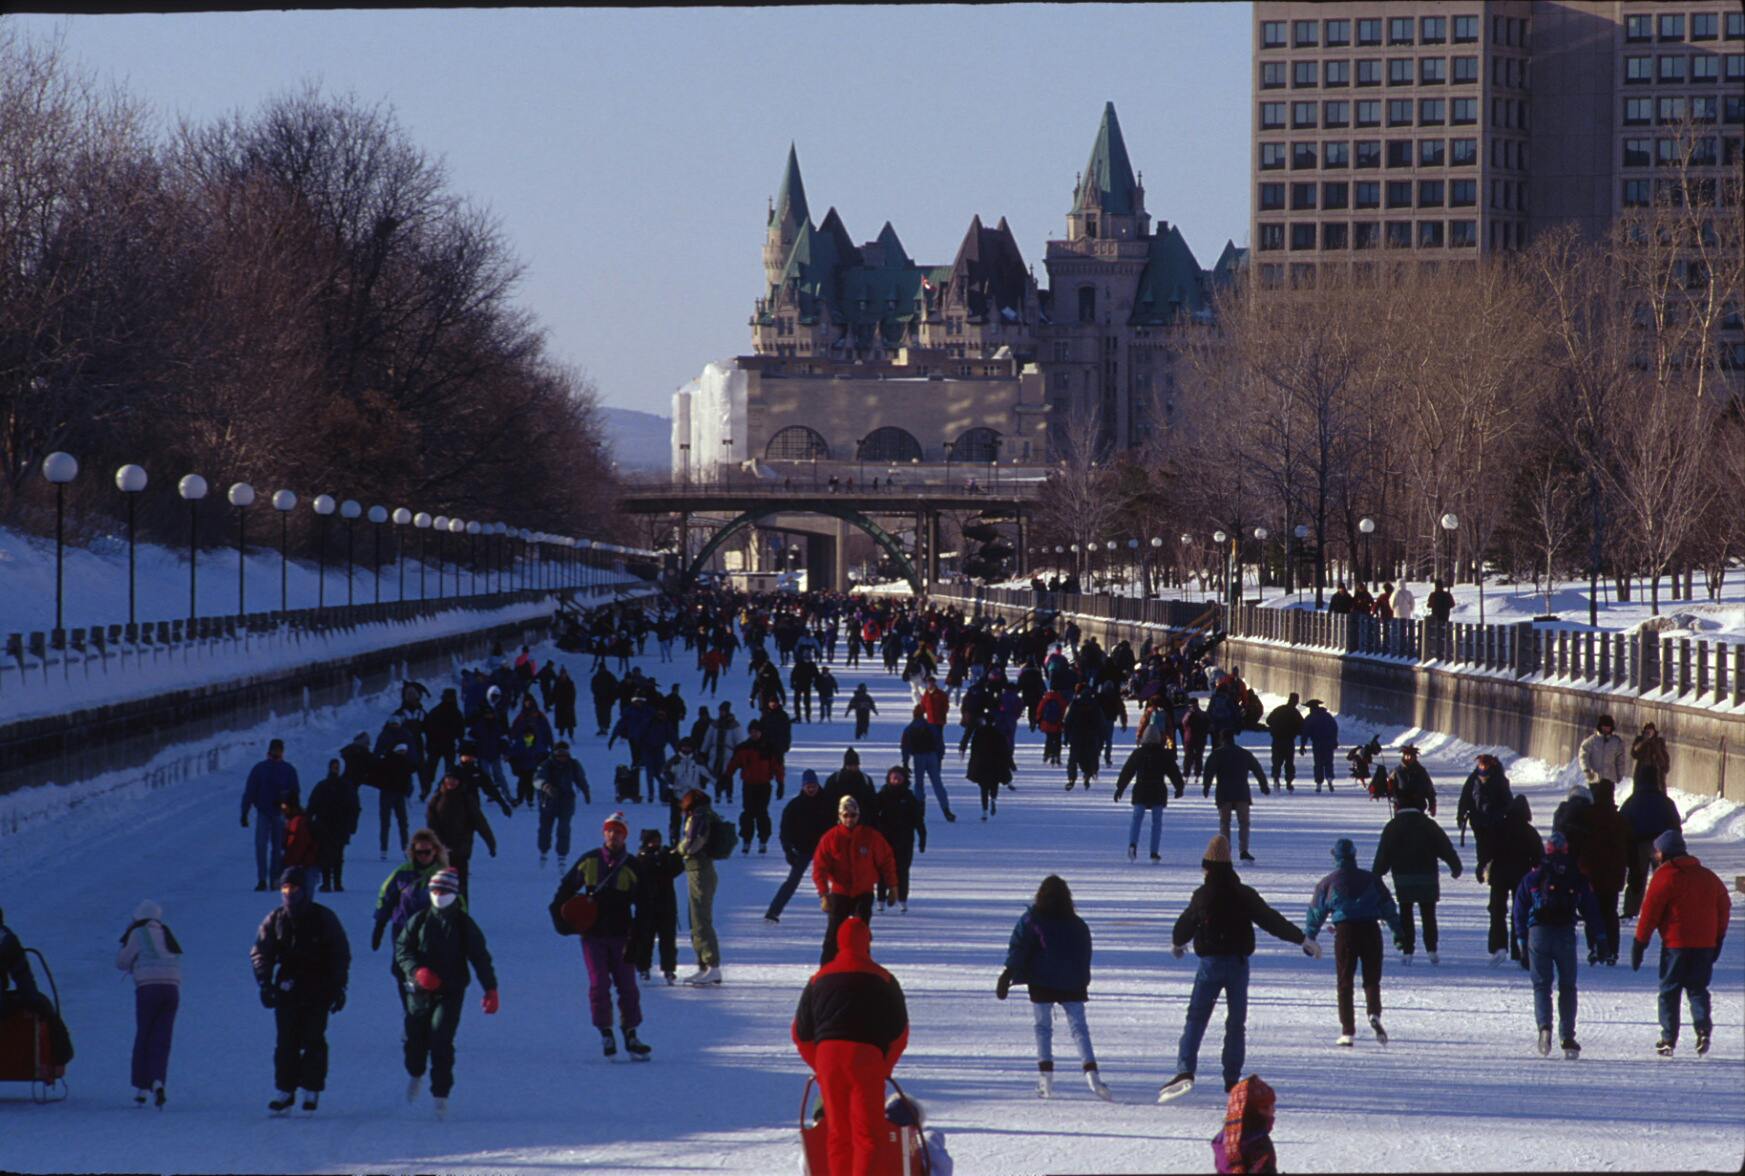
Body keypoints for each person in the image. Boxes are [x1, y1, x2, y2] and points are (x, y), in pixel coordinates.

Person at [1157, 836, 1315, 1104]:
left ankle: (1185, 1070)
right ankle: (1231, 1078)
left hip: (1210, 965)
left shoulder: (1203, 895)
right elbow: (1270, 920)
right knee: (1236, 1022)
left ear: (1208, 868)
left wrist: (1177, 943)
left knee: (1196, 1018)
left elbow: (1183, 926)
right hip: (1238, 965)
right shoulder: (1244, 894)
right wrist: (1302, 939)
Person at [792, 917, 908, 1176]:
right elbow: (900, 1033)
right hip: (867, 1059)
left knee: (837, 1134)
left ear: (838, 942)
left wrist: (819, 1065)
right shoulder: (885, 979)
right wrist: (883, 1067)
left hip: (829, 1057)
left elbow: (800, 1033)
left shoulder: (817, 980)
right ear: (868, 943)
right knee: (868, 1137)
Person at [997, 875, 1110, 1100]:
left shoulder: (1032, 920)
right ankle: (1092, 1074)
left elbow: (1018, 947)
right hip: (1071, 984)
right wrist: (1081, 981)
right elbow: (1084, 955)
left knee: (1043, 1028)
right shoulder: (1077, 924)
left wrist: (1007, 973)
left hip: (1041, 982)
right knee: (1079, 1029)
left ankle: (1045, 1078)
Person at [396, 867, 499, 1114]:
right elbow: (402, 950)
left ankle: (441, 1093)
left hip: (450, 992)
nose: (439, 895)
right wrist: (416, 971)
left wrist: (490, 988)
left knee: (441, 1038)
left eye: (444, 891)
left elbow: (480, 957)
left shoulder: (464, 924)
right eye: (435, 890)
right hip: (419, 991)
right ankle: (416, 1072)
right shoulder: (419, 920)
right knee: (415, 1037)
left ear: (454, 894)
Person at [549, 812, 651, 1059]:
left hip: (622, 936)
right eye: (609, 830)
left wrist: (640, 939)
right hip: (593, 936)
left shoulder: (633, 866)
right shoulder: (589, 861)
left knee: (628, 987)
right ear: (603, 833)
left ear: (625, 836)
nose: (612, 835)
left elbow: (646, 906)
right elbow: (563, 893)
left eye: (618, 831)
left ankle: (631, 1033)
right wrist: (564, 924)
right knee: (598, 985)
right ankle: (605, 1032)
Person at [249, 867, 350, 1114]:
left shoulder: (324, 918)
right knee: (286, 1041)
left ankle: (311, 1088)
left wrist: (338, 986)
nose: (289, 893)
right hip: (288, 987)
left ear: (306, 891)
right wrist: (264, 981)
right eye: (285, 888)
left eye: (294, 888)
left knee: (313, 1038)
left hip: (319, 987)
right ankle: (285, 1090)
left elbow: (339, 953)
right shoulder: (276, 918)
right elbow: (262, 951)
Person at [1631, 829, 1730, 1058]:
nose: (1654, 856)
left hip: (1676, 944)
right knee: (1697, 989)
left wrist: (1640, 942)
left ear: (1664, 853)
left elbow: (1650, 912)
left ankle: (1668, 1038)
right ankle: (1703, 1028)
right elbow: (1723, 907)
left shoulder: (1665, 877)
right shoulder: (1708, 877)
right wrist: (1718, 938)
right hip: (1704, 945)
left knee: (1669, 990)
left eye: (1656, 852)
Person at [1512, 832, 1606, 1057]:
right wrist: (1600, 938)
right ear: (1566, 851)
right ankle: (1568, 1037)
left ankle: (1544, 1027)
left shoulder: (1533, 877)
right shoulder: (1576, 876)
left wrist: (1521, 941)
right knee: (1567, 986)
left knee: (1541, 986)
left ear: (1547, 850)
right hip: (1565, 933)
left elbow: (1518, 910)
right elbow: (1591, 910)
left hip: (1538, 934)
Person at [1302, 838, 1400, 1047]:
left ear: (1335, 857)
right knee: (1372, 978)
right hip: (1371, 929)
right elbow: (1388, 908)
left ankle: (1348, 1031)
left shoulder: (1328, 883)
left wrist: (1309, 938)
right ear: (1354, 855)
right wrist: (1399, 933)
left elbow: (1316, 912)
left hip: (1345, 932)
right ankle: (1373, 1012)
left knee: (1345, 981)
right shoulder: (1371, 879)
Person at [1371, 789, 1462, 964]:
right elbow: (1445, 848)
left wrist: (1377, 875)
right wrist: (1455, 867)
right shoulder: (1429, 825)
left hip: (1403, 878)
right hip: (1427, 877)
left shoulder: (1392, 826)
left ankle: (1408, 950)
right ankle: (1431, 948)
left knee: (1406, 913)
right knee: (1428, 913)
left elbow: (1383, 854)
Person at [813, 796, 896, 965]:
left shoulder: (871, 836)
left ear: (858, 815)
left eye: (853, 815)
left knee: (860, 935)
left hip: (863, 892)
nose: (849, 819)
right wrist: (823, 894)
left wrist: (893, 887)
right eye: (846, 815)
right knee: (833, 936)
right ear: (840, 816)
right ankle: (826, 971)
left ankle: (862, 969)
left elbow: (887, 861)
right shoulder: (830, 838)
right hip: (840, 892)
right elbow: (819, 868)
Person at [370, 830, 450, 1006]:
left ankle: (428, 1008)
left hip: (431, 933)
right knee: (401, 970)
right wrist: (379, 926)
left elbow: (457, 904)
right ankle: (410, 1010)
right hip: (402, 931)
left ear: (435, 851)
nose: (423, 856)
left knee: (429, 972)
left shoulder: (442, 876)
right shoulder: (402, 874)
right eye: (419, 852)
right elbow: (386, 897)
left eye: (427, 852)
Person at [116, 899, 182, 1108]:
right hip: (172, 990)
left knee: (144, 1035)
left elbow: (122, 962)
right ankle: (158, 1081)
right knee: (162, 1039)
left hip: (148, 989)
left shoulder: (139, 933)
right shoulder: (166, 933)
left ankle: (142, 1087)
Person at [766, 770, 835, 923]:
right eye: (808, 786)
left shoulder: (828, 803)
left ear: (818, 785)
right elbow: (785, 830)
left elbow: (836, 826)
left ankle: (840, 911)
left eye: (813, 786)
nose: (811, 789)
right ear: (803, 787)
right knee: (792, 881)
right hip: (803, 849)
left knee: (836, 879)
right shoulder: (794, 805)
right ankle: (773, 912)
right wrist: (788, 850)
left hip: (825, 849)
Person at [1112, 724, 1185, 862]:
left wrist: (1120, 788)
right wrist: (1179, 787)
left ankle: (1133, 843)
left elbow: (1128, 771)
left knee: (1137, 818)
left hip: (1141, 789)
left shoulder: (1138, 753)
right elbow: (1174, 772)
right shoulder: (1164, 754)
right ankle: (1154, 852)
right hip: (1158, 789)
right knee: (1156, 822)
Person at [1620, 758, 1682, 919]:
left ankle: (1630, 910)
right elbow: (1675, 824)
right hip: (1661, 846)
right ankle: (1665, 909)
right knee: (1663, 879)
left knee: (1636, 878)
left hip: (1638, 845)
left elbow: (1623, 823)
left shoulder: (1632, 802)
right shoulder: (1665, 802)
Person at [1485, 795, 1543, 965]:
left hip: (1499, 876)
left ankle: (1498, 946)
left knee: (1497, 911)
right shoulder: (1529, 831)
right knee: (1520, 913)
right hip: (1522, 877)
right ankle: (1520, 950)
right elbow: (1539, 857)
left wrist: (1482, 865)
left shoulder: (1499, 827)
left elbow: (1488, 850)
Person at [1578, 778, 1631, 964]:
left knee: (1591, 911)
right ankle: (1612, 950)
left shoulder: (1586, 816)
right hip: (1613, 875)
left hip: (1590, 873)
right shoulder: (1619, 820)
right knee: (1610, 912)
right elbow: (1627, 848)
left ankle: (1594, 946)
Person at [677, 789, 724, 985]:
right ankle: (704, 965)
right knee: (696, 918)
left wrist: (680, 849)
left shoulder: (699, 817)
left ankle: (712, 965)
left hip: (699, 871)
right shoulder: (706, 814)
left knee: (700, 918)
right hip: (701, 870)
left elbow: (693, 843)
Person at [425, 772, 498, 899]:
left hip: (461, 850)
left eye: (454, 780)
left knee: (460, 886)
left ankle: (461, 914)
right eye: (448, 779)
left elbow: (481, 823)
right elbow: (431, 826)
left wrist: (491, 843)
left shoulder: (466, 799)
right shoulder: (436, 799)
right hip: (441, 851)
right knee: (440, 885)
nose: (451, 782)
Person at [241, 739, 300, 891]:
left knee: (278, 847)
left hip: (280, 814)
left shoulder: (288, 770)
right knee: (261, 846)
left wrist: (293, 812)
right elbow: (250, 791)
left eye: (279, 750)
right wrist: (245, 812)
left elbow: (295, 793)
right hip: (264, 812)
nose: (277, 752)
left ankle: (275, 877)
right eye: (275, 750)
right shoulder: (260, 769)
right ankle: (262, 878)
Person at [1202, 731, 1269, 863]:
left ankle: (1225, 851)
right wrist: (1263, 785)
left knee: (1224, 823)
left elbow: (1209, 772)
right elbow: (1257, 769)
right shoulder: (1244, 753)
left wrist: (1206, 787)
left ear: (1222, 740)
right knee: (1244, 823)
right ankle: (1243, 850)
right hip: (1241, 792)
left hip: (1224, 793)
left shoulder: (1217, 754)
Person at [631, 829, 683, 985]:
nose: (655, 844)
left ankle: (669, 968)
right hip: (646, 905)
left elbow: (677, 868)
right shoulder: (640, 859)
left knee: (668, 939)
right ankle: (643, 967)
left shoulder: (665, 856)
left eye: (657, 840)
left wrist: (673, 854)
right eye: (652, 841)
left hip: (666, 904)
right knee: (645, 939)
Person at [872, 766, 925, 913]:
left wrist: (922, 837)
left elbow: (918, 819)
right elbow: (872, 816)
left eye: (899, 778)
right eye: (893, 778)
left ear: (904, 780)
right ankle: (881, 899)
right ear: (889, 779)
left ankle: (902, 898)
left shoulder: (909, 797)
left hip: (905, 841)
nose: (896, 781)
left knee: (902, 871)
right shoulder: (882, 796)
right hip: (884, 839)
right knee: (883, 870)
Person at [724, 720, 782, 854]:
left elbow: (777, 767)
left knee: (762, 813)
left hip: (764, 785)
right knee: (748, 813)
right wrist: (727, 776)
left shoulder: (769, 748)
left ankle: (763, 840)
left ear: (761, 732)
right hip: (749, 785)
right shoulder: (743, 748)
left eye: (757, 731)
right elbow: (734, 763)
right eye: (752, 732)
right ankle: (746, 839)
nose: (754, 734)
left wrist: (780, 783)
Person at [307, 758, 361, 893]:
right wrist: (308, 821)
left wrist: (352, 824)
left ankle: (337, 882)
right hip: (324, 824)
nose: (335, 769)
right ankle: (327, 883)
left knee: (338, 854)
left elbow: (354, 807)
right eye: (333, 767)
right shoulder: (323, 786)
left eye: (337, 767)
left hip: (340, 825)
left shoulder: (346, 786)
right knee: (325, 853)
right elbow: (312, 804)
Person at [533, 742, 590, 870]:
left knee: (564, 829)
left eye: (564, 755)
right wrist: (545, 786)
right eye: (559, 755)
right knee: (545, 829)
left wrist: (586, 791)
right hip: (548, 802)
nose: (562, 758)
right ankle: (543, 850)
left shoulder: (573, 764)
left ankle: (562, 854)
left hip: (566, 801)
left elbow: (580, 778)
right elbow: (537, 779)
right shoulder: (546, 765)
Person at [1456, 753, 1513, 880]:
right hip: (1478, 820)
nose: (1482, 768)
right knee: (1482, 845)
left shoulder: (1499, 780)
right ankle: (1482, 867)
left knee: (1493, 845)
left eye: (1484, 765)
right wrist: (1461, 815)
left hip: (1495, 821)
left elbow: (1508, 802)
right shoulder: (1473, 779)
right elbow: (1465, 797)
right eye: (1480, 765)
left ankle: (1491, 870)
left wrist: (1501, 814)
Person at [1212, 1075, 1279, 1175]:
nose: (1273, 1109)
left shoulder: (1228, 1136)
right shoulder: (1253, 1142)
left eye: (1272, 1104)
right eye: (1265, 1107)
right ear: (1249, 1112)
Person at [900, 706, 954, 820]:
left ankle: (920, 809)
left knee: (919, 784)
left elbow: (905, 747)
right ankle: (946, 809)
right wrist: (939, 757)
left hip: (918, 757)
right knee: (937, 783)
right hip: (932, 756)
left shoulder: (909, 729)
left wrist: (905, 763)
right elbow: (939, 742)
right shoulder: (931, 727)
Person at [507, 696, 554, 810]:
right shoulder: (521, 717)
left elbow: (547, 730)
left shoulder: (539, 716)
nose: (528, 704)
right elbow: (514, 730)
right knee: (524, 780)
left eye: (529, 702)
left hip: (537, 751)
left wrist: (550, 745)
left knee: (532, 779)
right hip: (523, 754)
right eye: (526, 702)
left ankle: (530, 798)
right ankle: (522, 798)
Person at [373, 743, 418, 860]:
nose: (403, 753)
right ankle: (388, 849)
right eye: (401, 751)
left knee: (396, 823)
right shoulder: (396, 762)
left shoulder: (390, 761)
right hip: (391, 793)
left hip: (395, 794)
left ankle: (400, 849)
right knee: (393, 823)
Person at [965, 712, 1011, 820]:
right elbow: (1005, 751)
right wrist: (1009, 765)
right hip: (995, 764)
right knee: (994, 785)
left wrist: (972, 764)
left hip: (982, 764)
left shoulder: (979, 733)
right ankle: (993, 799)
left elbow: (974, 751)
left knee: (983, 788)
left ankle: (984, 811)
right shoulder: (999, 734)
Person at [1263, 693, 1302, 794]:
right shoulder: (1295, 712)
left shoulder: (1279, 709)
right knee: (1289, 762)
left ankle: (1276, 779)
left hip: (1277, 740)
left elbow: (1268, 720)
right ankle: (1289, 782)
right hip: (1289, 741)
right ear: (1296, 701)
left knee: (1277, 761)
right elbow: (1302, 726)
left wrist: (1276, 727)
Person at [1578, 714, 1628, 790]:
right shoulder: (1592, 740)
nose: (1606, 729)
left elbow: (1620, 760)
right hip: (1595, 779)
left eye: (1608, 727)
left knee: (1608, 801)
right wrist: (1587, 769)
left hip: (1610, 780)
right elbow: (1583, 755)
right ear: (1600, 726)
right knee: (1595, 800)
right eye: (1604, 726)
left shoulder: (1616, 742)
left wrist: (1619, 775)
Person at [1629, 721, 1670, 793]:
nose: (1649, 733)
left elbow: (1664, 759)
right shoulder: (1640, 740)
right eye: (1647, 731)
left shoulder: (1659, 742)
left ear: (1654, 732)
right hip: (1642, 773)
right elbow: (1634, 753)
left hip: (1656, 775)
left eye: (1651, 731)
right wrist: (1644, 741)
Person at [552, 667, 579, 741]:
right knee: (561, 723)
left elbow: (573, 694)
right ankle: (561, 736)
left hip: (568, 706)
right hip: (559, 706)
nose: (563, 675)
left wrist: (571, 704)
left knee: (570, 724)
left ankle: (571, 736)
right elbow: (553, 693)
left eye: (564, 674)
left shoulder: (570, 683)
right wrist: (551, 701)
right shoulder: (557, 683)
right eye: (561, 674)